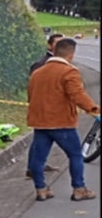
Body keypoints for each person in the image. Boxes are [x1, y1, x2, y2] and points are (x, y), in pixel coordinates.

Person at [27, 38, 100, 201]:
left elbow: (31, 96)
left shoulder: (37, 73)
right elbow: (77, 95)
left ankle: (41, 189)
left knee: (38, 158)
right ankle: (79, 188)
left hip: (40, 122)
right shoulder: (69, 72)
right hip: (62, 123)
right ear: (71, 54)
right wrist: (94, 110)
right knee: (75, 155)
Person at [26, 33, 64, 178]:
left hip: (51, 108)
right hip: (43, 108)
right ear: (49, 46)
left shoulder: (58, 63)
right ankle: (33, 167)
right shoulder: (42, 64)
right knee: (40, 139)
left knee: (42, 139)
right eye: (57, 44)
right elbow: (34, 88)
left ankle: (37, 165)